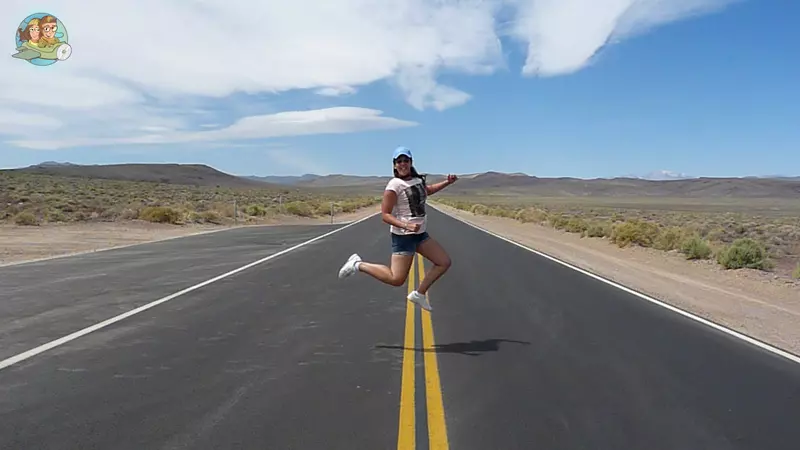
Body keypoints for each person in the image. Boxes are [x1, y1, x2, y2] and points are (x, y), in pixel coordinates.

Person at [338, 146, 457, 311]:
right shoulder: (394, 185)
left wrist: (447, 182)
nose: (403, 164)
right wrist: (406, 225)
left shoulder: (417, 180)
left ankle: (419, 294)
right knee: (396, 279)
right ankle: (357, 264)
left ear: (411, 162)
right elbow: (385, 215)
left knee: (444, 262)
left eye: (405, 160)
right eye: (399, 161)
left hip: (420, 235)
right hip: (403, 237)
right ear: (394, 165)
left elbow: (426, 191)